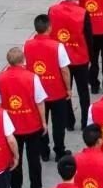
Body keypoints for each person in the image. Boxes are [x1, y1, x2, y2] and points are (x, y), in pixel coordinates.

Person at [0, 47, 48, 188]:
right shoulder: (32, 77)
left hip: (12, 127)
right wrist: (44, 121)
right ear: (23, 60)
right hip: (32, 125)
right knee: (34, 160)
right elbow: (39, 102)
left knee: (14, 160)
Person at [24, 14, 72, 158]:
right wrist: (68, 88)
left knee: (40, 122)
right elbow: (64, 70)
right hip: (56, 90)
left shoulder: (27, 45)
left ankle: (43, 151)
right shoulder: (57, 46)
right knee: (59, 123)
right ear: (49, 27)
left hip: (37, 93)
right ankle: (59, 151)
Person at [48, 0, 93, 128]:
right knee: (83, 91)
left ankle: (69, 121)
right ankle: (85, 120)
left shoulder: (52, 10)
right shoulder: (83, 13)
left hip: (60, 58)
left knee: (65, 91)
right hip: (80, 57)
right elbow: (88, 37)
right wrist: (91, 57)